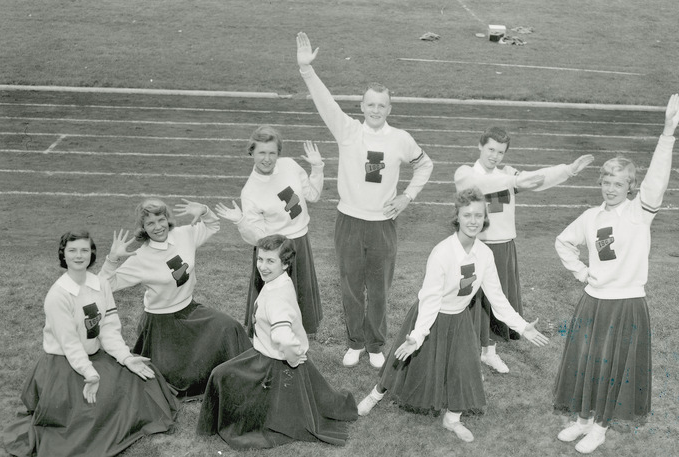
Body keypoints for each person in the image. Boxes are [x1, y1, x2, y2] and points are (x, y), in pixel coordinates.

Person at [356, 188, 550, 443]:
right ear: (457, 217)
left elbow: (497, 298)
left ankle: (452, 419)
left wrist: (523, 327)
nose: (473, 221)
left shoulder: (484, 254)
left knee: (463, 367)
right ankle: (376, 393)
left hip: (459, 318)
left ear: (485, 219)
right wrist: (417, 334)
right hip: (430, 315)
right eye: (467, 215)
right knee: (405, 358)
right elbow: (430, 298)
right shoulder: (442, 252)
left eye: (478, 216)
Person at [296, 31, 434, 368]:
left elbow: (425, 165)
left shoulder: (401, 139)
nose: (375, 109)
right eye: (370, 104)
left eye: (381, 105)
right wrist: (306, 70)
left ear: (389, 108)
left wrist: (407, 196)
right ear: (361, 106)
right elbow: (324, 101)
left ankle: (375, 344)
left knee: (380, 288)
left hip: (382, 224)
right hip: (349, 222)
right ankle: (355, 342)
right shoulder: (348, 131)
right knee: (351, 286)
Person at [552, 95, 679, 454]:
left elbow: (658, 176)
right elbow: (563, 242)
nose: (611, 188)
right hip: (593, 302)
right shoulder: (591, 217)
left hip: (626, 304)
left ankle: (600, 426)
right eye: (606, 181)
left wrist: (667, 132)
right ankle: (581, 419)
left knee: (611, 366)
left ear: (630, 186)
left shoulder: (639, 213)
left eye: (619, 183)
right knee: (585, 360)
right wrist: (582, 273)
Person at [3, 230, 178, 457]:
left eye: (84, 250)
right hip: (64, 365)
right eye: (72, 250)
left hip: (94, 357)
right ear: (63, 255)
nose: (79, 255)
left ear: (91, 253)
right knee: (90, 417)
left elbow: (108, 328)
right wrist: (90, 374)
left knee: (141, 378)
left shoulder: (100, 284)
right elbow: (70, 344)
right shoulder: (58, 295)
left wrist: (126, 358)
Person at [197, 234, 358, 449]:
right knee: (223, 374)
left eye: (270, 261)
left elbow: (282, 336)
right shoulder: (278, 281)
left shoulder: (277, 297)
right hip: (266, 353)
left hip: (272, 363)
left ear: (285, 263)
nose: (262, 266)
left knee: (220, 376)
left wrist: (292, 360)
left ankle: (229, 423)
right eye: (260, 259)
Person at [455, 128, 594, 373]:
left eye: (500, 152)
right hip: (477, 247)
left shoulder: (508, 174)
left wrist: (567, 170)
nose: (495, 156)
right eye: (490, 150)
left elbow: (537, 178)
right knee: (473, 300)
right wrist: (514, 181)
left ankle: (489, 352)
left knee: (495, 299)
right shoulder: (465, 173)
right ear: (480, 146)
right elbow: (482, 183)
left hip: (504, 247)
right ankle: (466, 349)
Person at [100, 198, 251, 397]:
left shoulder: (184, 234)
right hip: (162, 322)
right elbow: (103, 286)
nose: (158, 227)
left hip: (190, 310)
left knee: (230, 327)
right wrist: (112, 259)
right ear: (143, 228)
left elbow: (212, 225)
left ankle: (245, 378)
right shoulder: (140, 257)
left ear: (167, 219)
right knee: (173, 379)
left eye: (161, 220)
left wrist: (205, 210)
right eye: (150, 223)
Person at [215, 126, 325, 334]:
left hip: (300, 241)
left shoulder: (290, 166)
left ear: (278, 153)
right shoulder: (250, 190)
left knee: (299, 297)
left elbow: (313, 195)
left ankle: (297, 338)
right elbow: (257, 238)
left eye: (272, 153)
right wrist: (241, 221)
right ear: (252, 153)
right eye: (261, 153)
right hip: (274, 249)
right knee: (273, 305)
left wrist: (317, 168)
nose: (267, 158)